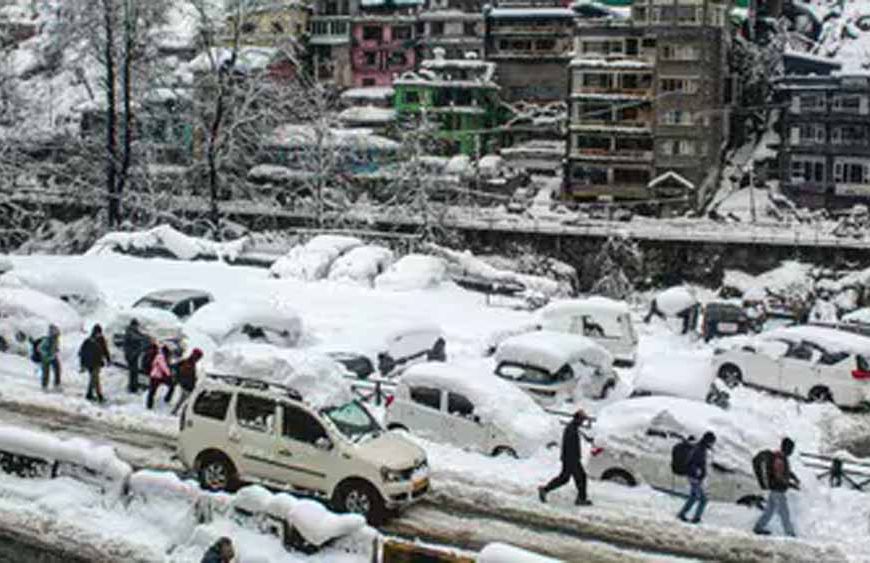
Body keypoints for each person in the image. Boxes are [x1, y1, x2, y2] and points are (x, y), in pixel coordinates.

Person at [538, 409, 593, 506]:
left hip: (570, 458)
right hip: (571, 459)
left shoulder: (573, 427)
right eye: (582, 420)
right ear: (578, 419)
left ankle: (545, 489)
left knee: (564, 478)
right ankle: (581, 499)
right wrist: (574, 460)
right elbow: (570, 446)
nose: (583, 422)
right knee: (581, 477)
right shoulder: (571, 429)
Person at [754, 437, 799, 537]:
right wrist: (790, 484)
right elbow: (779, 476)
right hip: (778, 490)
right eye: (791, 449)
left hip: (776, 489)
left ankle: (758, 527)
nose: (792, 451)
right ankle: (789, 533)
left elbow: (784, 472)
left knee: (769, 511)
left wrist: (793, 477)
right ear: (787, 448)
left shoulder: (781, 458)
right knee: (784, 512)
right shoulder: (779, 460)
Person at [677, 431, 716, 524]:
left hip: (695, 477)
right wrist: (697, 472)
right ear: (708, 440)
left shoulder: (701, 448)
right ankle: (696, 518)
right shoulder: (699, 449)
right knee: (703, 499)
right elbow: (692, 462)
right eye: (712, 442)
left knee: (694, 497)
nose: (712, 444)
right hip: (694, 477)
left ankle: (682, 514)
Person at [78, 324, 111, 403]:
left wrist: (108, 359)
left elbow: (105, 350)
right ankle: (98, 396)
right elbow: (82, 353)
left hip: (97, 363)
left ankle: (91, 394)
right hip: (90, 363)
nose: (99, 334)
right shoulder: (88, 341)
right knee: (95, 379)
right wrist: (82, 365)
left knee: (94, 379)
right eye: (98, 332)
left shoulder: (101, 340)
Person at [168, 348, 204, 415]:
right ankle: (180, 413)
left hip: (186, 385)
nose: (199, 359)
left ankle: (174, 411)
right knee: (189, 401)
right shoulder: (189, 362)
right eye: (199, 357)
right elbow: (186, 374)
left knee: (183, 400)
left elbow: (175, 367)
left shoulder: (189, 362)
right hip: (187, 386)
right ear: (196, 356)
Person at [123, 319, 148, 393]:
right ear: (133, 325)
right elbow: (135, 337)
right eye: (136, 326)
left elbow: (140, 335)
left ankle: (134, 385)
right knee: (133, 371)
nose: (137, 327)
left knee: (135, 370)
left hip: (134, 353)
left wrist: (146, 336)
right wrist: (144, 338)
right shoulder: (129, 332)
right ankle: (132, 387)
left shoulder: (134, 331)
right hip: (130, 354)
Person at [146, 344, 172, 410]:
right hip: (155, 376)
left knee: (152, 391)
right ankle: (149, 406)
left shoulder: (160, 356)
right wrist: (169, 374)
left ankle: (150, 405)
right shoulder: (160, 356)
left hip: (156, 376)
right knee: (152, 391)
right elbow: (163, 366)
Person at [39, 324, 62, 391]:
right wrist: (46, 354)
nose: (57, 335)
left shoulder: (56, 340)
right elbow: (40, 348)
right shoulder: (47, 340)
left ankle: (57, 384)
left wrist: (56, 350)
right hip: (46, 358)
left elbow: (55, 347)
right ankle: (44, 386)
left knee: (57, 370)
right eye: (56, 333)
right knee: (46, 372)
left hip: (53, 357)